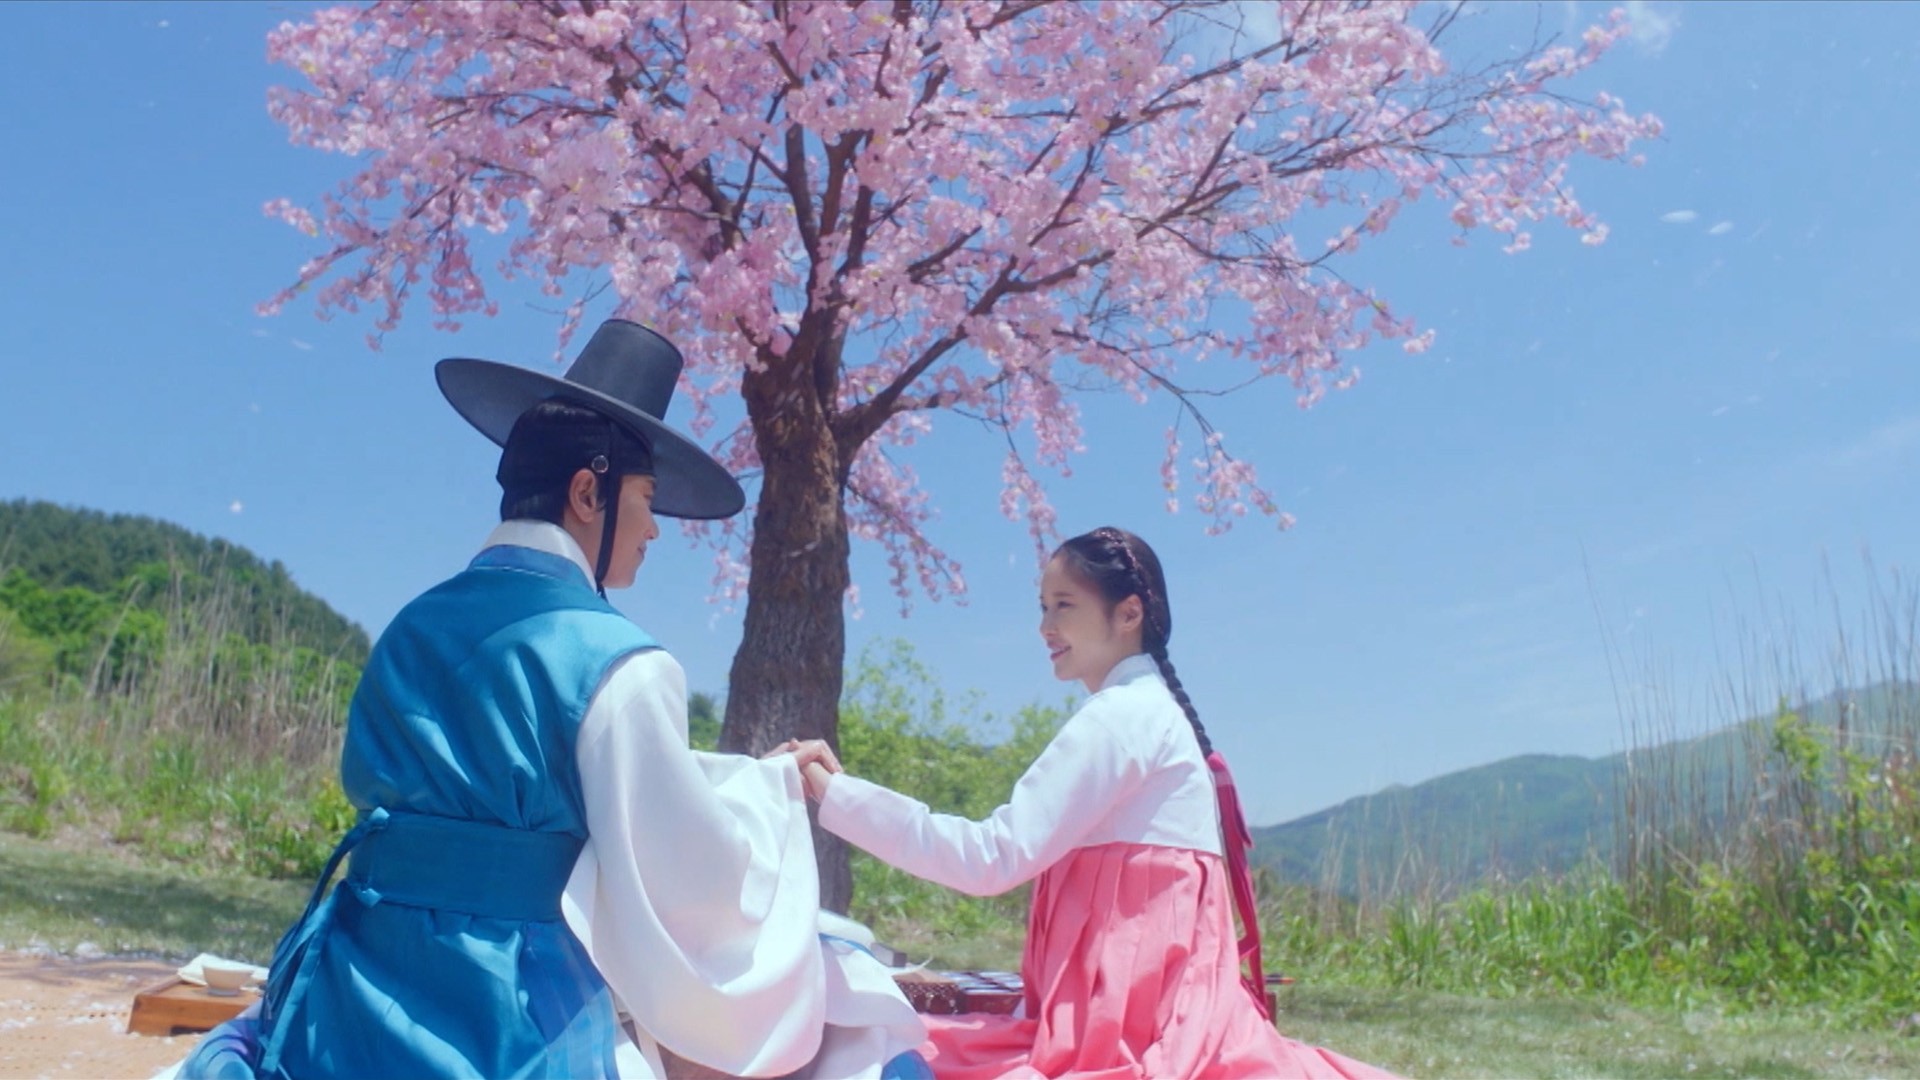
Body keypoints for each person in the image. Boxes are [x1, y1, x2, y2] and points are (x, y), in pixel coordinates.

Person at [174, 319, 924, 1079]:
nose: (654, 531)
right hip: (503, 1009)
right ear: (587, 492)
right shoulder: (618, 659)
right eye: (647, 499)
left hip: (352, 997)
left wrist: (752, 775)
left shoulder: (409, 626)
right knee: (858, 1015)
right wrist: (772, 800)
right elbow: (688, 877)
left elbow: (534, 771)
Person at [799, 526, 1396, 1079]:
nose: (1045, 627)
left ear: (1128, 613)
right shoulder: (1148, 712)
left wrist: (835, 792)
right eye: (1042, 606)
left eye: (1064, 605)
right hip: (1150, 1022)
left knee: (867, 1044)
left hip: (1118, 1036)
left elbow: (990, 857)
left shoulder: (1121, 717)